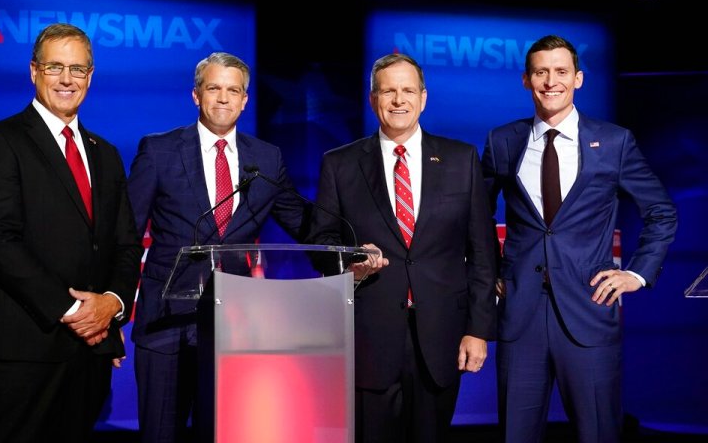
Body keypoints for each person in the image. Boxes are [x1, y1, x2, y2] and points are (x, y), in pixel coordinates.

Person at [482, 35, 678, 443]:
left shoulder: (613, 141)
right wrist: (491, 273)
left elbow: (661, 212)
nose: (550, 81)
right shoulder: (503, 141)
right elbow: (475, 217)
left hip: (589, 311)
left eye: (560, 72)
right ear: (525, 80)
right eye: (540, 72)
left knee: (598, 434)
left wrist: (636, 275)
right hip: (521, 316)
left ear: (578, 79)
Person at [0, 23, 143, 442]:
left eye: (77, 69)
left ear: (91, 77)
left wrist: (113, 304)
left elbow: (126, 244)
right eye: (55, 67)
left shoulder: (107, 154)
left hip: (89, 353)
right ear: (33, 71)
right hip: (22, 350)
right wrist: (78, 312)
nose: (67, 79)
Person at [307, 53, 497, 442]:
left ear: (423, 98)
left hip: (442, 337)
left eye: (408, 90)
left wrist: (478, 329)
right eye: (388, 91)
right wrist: (352, 263)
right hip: (369, 338)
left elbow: (482, 252)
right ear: (372, 99)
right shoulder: (339, 164)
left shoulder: (462, 159)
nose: (398, 100)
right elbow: (321, 244)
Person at [127, 51, 311, 442]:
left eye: (234, 90)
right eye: (214, 88)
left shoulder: (266, 157)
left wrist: (353, 247)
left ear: (245, 100)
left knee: (228, 433)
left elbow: (303, 222)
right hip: (166, 323)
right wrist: (113, 310)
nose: (224, 98)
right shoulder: (158, 150)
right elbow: (125, 236)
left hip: (237, 326)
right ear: (196, 95)